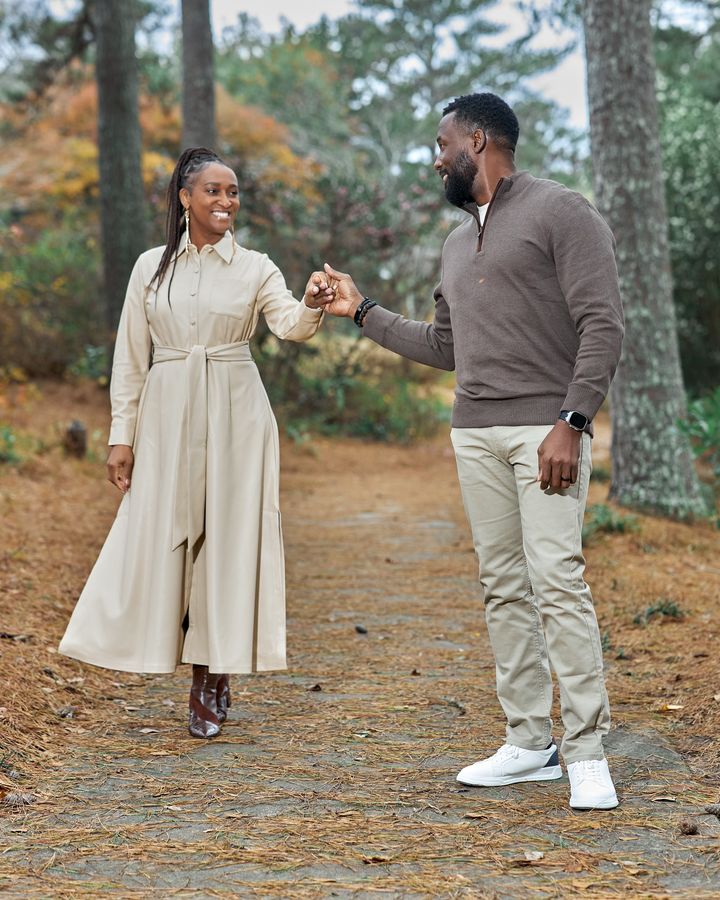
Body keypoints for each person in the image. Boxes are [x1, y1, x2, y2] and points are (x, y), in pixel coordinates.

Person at [320, 93, 624, 811]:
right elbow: (445, 347)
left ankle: (586, 751)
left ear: (477, 140)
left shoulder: (561, 211)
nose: (435, 158)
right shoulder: (457, 243)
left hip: (545, 429)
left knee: (556, 580)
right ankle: (529, 741)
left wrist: (572, 420)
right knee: (503, 585)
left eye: (441, 143)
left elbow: (602, 324)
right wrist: (361, 311)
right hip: (474, 433)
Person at [59, 147, 333, 739]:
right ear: (185, 197)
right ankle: (166, 647)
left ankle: (209, 673)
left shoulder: (256, 266)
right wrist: (120, 436)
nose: (226, 202)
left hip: (237, 410)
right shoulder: (149, 267)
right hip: (167, 411)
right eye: (213, 191)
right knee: (165, 539)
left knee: (227, 541)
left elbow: (287, 324)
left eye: (233, 192)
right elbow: (130, 357)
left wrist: (312, 304)